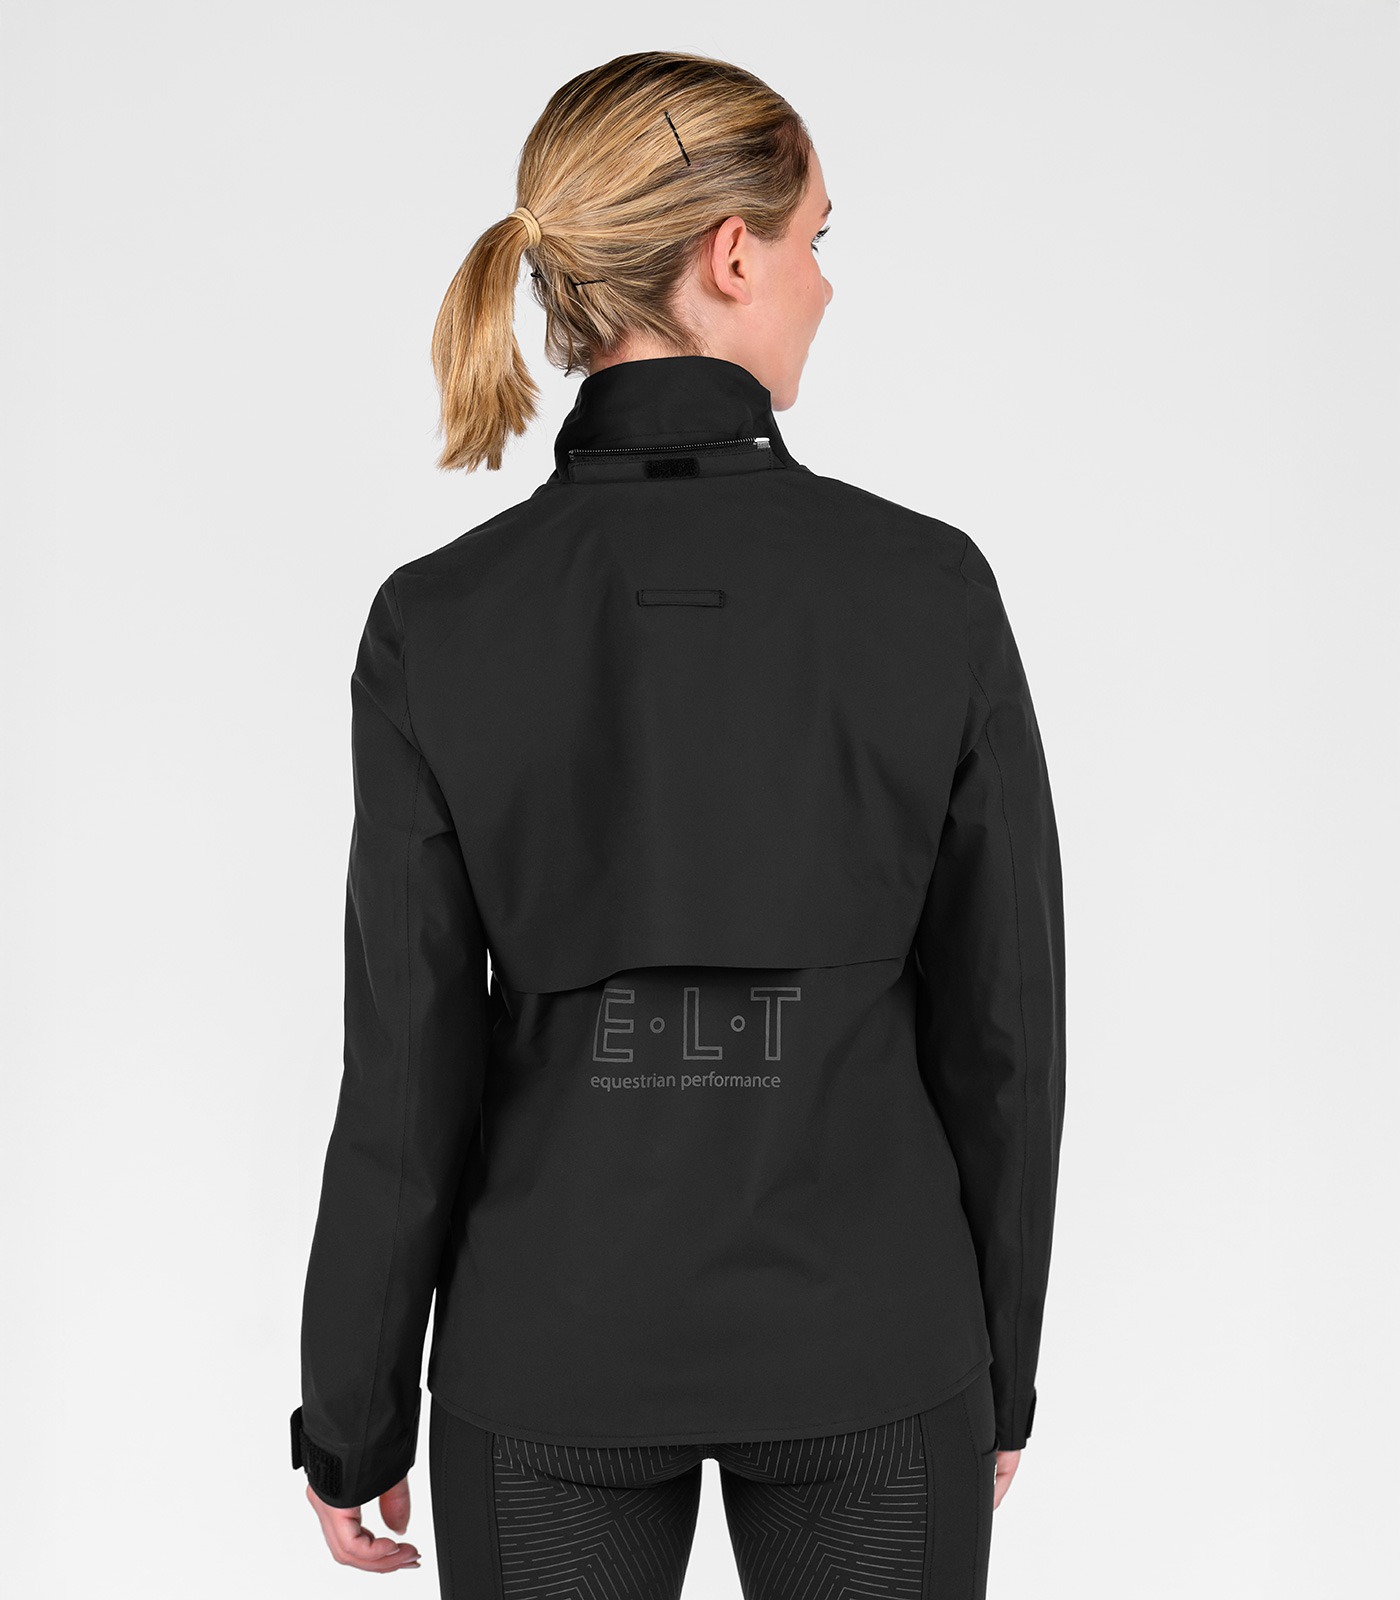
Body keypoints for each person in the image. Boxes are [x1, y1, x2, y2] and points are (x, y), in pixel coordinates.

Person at [289, 49, 1066, 1600]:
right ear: (731, 255)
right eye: (817, 238)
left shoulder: (439, 623)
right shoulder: (928, 591)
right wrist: (999, 1361)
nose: (826, 283)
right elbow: (1003, 1027)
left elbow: (410, 1059)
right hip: (874, 1346)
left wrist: (352, 1411)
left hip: (550, 1355)